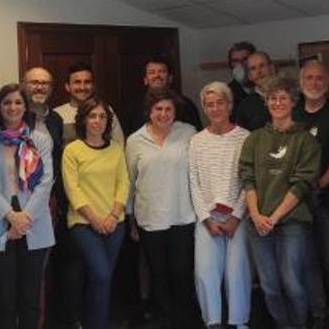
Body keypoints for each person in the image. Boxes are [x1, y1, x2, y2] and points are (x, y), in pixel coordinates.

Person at [239, 76, 320, 329]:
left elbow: (302, 184)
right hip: (258, 223)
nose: (277, 102)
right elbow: (247, 178)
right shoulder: (253, 139)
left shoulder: (306, 139)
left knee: (292, 283)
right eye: (272, 98)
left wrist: (273, 218)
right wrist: (255, 215)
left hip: (292, 222)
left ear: (293, 101)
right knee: (269, 287)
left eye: (282, 97)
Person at [0, 84, 56, 329]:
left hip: (34, 221)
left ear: (25, 106)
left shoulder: (38, 140)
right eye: (7, 102)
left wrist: (24, 217)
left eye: (18, 102)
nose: (13, 107)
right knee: (5, 301)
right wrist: (11, 216)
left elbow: (46, 180)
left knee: (30, 300)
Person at [126, 90, 200, 329]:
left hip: (183, 215)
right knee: (159, 274)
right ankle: (165, 321)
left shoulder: (189, 133)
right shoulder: (135, 140)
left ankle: (184, 320)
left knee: (181, 272)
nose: (164, 114)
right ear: (149, 111)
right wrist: (131, 220)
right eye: (158, 109)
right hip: (150, 217)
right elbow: (129, 181)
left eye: (168, 109)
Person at [188, 82, 251, 329]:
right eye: (209, 104)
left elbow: (249, 181)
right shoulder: (196, 141)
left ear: (229, 104)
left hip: (239, 217)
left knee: (237, 274)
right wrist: (206, 218)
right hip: (207, 218)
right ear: (204, 108)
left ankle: (239, 322)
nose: (215, 109)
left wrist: (236, 215)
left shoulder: (245, 137)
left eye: (220, 103)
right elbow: (193, 182)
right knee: (205, 273)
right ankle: (212, 321)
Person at [63, 97, 130, 329]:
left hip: (115, 223)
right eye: (92, 116)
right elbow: (73, 189)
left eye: (102, 117)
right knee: (101, 275)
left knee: (102, 280)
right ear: (83, 120)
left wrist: (113, 216)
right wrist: (95, 220)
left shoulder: (116, 149)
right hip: (83, 224)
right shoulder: (72, 150)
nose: (97, 121)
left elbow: (124, 184)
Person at [295, 61, 329, 329]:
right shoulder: (292, 115)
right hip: (298, 202)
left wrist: (318, 186)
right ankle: (317, 311)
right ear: (300, 81)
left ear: (327, 83)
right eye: (309, 77)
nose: (314, 83)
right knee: (309, 261)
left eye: (319, 78)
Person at [22, 66, 79, 329]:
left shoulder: (55, 120)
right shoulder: (15, 115)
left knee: (54, 267)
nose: (40, 87)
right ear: (24, 85)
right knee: (29, 273)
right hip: (20, 206)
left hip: (53, 202)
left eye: (45, 83)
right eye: (34, 82)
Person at [126, 56, 203, 135]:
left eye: (162, 71)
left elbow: (197, 137)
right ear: (145, 80)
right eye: (152, 72)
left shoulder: (186, 105)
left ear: (170, 78)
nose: (157, 75)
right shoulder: (134, 107)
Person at [55, 62, 125, 147]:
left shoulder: (105, 110)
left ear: (93, 86)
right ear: (68, 86)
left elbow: (119, 143)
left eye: (87, 82)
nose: (82, 87)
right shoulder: (57, 114)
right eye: (77, 82)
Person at [236, 51, 276, 130]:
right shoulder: (245, 106)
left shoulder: (291, 97)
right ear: (250, 76)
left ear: (272, 68)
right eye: (253, 68)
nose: (259, 72)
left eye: (262, 66)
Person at [226, 41, 257, 121]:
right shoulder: (226, 92)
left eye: (245, 59)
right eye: (235, 61)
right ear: (231, 65)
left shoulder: (266, 87)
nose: (241, 64)